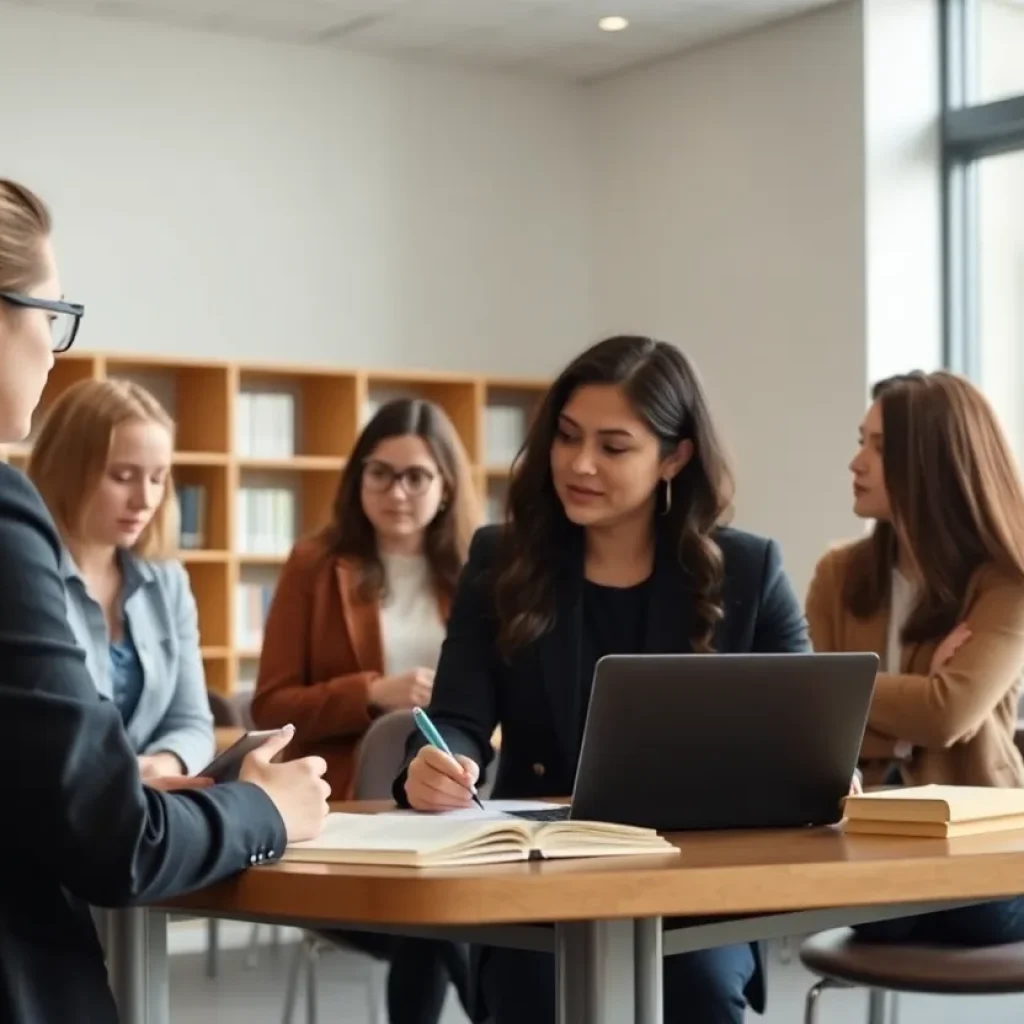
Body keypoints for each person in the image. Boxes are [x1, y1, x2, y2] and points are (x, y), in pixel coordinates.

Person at [394, 335, 810, 1024]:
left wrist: (824, 769)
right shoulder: (500, 559)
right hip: (535, 875)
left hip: (697, 879)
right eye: (565, 437)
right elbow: (459, 714)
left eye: (613, 447)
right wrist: (438, 762)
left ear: (674, 457)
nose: (579, 465)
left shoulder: (748, 570)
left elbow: (806, 729)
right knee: (529, 994)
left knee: (700, 994)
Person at [0, 177, 330, 1024]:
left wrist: (168, 773)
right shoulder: (9, 521)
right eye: (51, 315)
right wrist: (265, 807)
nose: (54, 349)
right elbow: (112, 839)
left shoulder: (161, 583)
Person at [252, 397, 480, 1024]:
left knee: (442, 907)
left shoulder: (475, 573)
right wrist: (372, 692)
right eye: (379, 472)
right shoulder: (315, 566)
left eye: (416, 476)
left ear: (446, 487)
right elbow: (269, 704)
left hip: (455, 812)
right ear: (357, 478)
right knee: (431, 917)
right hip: (348, 811)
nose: (396, 492)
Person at [806, 370, 1024, 945]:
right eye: (861, 442)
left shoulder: (1005, 581)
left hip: (985, 852)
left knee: (960, 912)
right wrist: (918, 688)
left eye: (879, 448)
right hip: (863, 841)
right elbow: (808, 718)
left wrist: (854, 696)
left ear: (933, 464)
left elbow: (947, 715)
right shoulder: (839, 574)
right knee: (876, 907)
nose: (856, 463)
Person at [27, 378, 215, 781]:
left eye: (157, 478)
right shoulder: (24, 574)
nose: (145, 501)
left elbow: (193, 722)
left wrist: (162, 764)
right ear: (66, 470)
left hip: (148, 807)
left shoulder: (167, 579)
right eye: (123, 475)